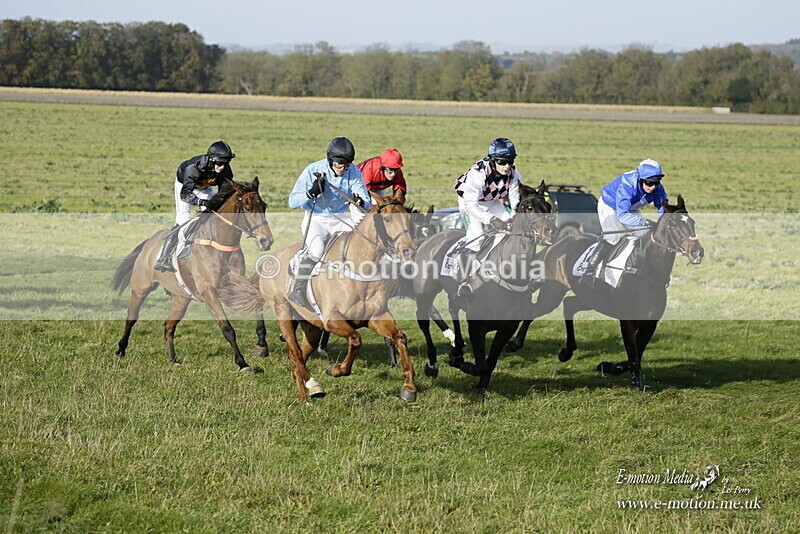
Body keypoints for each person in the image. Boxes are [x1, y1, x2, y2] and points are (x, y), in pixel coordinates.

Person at [287, 137, 372, 308]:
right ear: (330, 160)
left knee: (364, 238)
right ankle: (298, 288)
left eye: (346, 166)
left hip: (339, 218)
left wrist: (361, 202)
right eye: (339, 165)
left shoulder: (353, 171)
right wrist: (310, 193)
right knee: (317, 249)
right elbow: (292, 202)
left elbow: (365, 200)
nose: (343, 169)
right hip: (316, 219)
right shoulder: (313, 169)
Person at [580, 158, 669, 287]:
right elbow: (622, 216)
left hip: (630, 208)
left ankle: (646, 271)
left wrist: (663, 221)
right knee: (612, 237)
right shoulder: (627, 184)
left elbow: (662, 207)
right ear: (640, 179)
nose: (653, 186)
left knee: (645, 236)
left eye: (656, 182)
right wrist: (644, 221)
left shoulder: (657, 188)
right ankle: (588, 272)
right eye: (649, 183)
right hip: (609, 206)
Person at [452, 137, 522, 297]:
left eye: (510, 161)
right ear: (493, 160)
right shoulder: (478, 173)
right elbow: (471, 205)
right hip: (469, 202)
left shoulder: (514, 173)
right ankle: (463, 282)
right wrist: (492, 219)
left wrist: (513, 217)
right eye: (503, 162)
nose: (507, 166)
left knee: (516, 232)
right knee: (476, 236)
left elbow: (515, 199)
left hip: (492, 201)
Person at [154, 140, 235, 272]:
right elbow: (185, 195)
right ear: (211, 160)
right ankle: (163, 258)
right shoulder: (194, 168)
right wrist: (202, 203)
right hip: (185, 187)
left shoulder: (225, 170)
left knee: (214, 215)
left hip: (204, 187)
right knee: (183, 220)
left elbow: (225, 192)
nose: (222, 168)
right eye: (219, 163)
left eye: (226, 164)